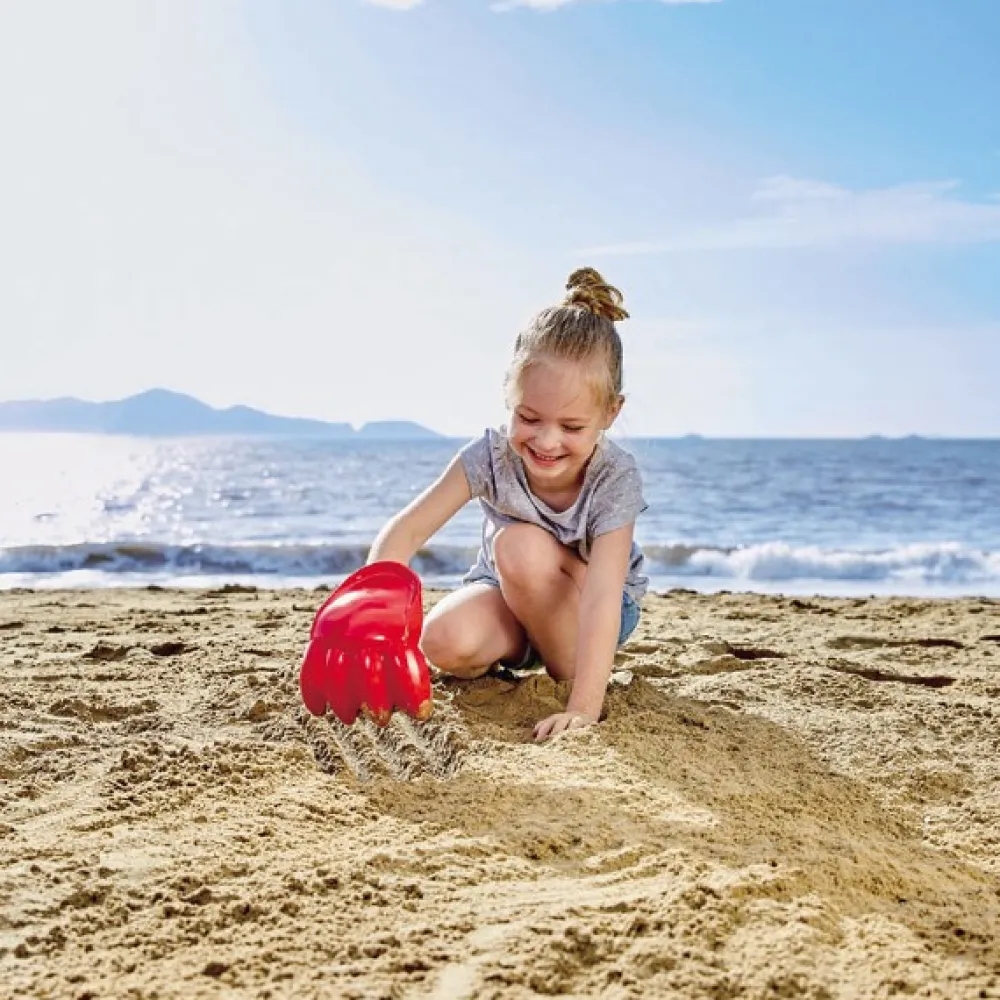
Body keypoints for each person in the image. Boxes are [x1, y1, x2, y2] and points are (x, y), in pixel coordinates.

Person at [366, 267, 648, 741]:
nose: (547, 440)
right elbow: (407, 531)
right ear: (507, 395)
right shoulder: (490, 457)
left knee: (518, 545)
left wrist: (582, 707)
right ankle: (528, 650)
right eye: (528, 417)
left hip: (594, 607)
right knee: (442, 641)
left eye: (572, 427)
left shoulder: (615, 478)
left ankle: (567, 671)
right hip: (510, 591)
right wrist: (372, 618)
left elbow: (603, 595)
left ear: (610, 413)